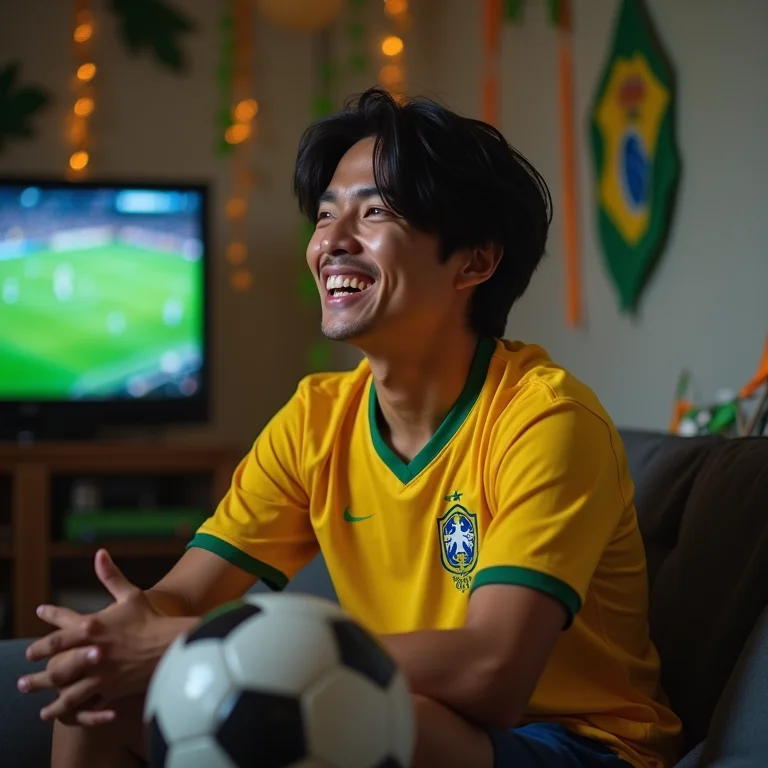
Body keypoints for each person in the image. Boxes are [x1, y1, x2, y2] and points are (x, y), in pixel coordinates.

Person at [18, 88, 682, 768]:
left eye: (374, 214)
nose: (331, 243)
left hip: (579, 743)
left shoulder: (546, 420)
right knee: (99, 697)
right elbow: (186, 594)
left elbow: (493, 671)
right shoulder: (316, 417)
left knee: (358, 718)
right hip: (408, 707)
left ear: (475, 263)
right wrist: (117, 635)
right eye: (327, 214)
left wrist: (176, 644)